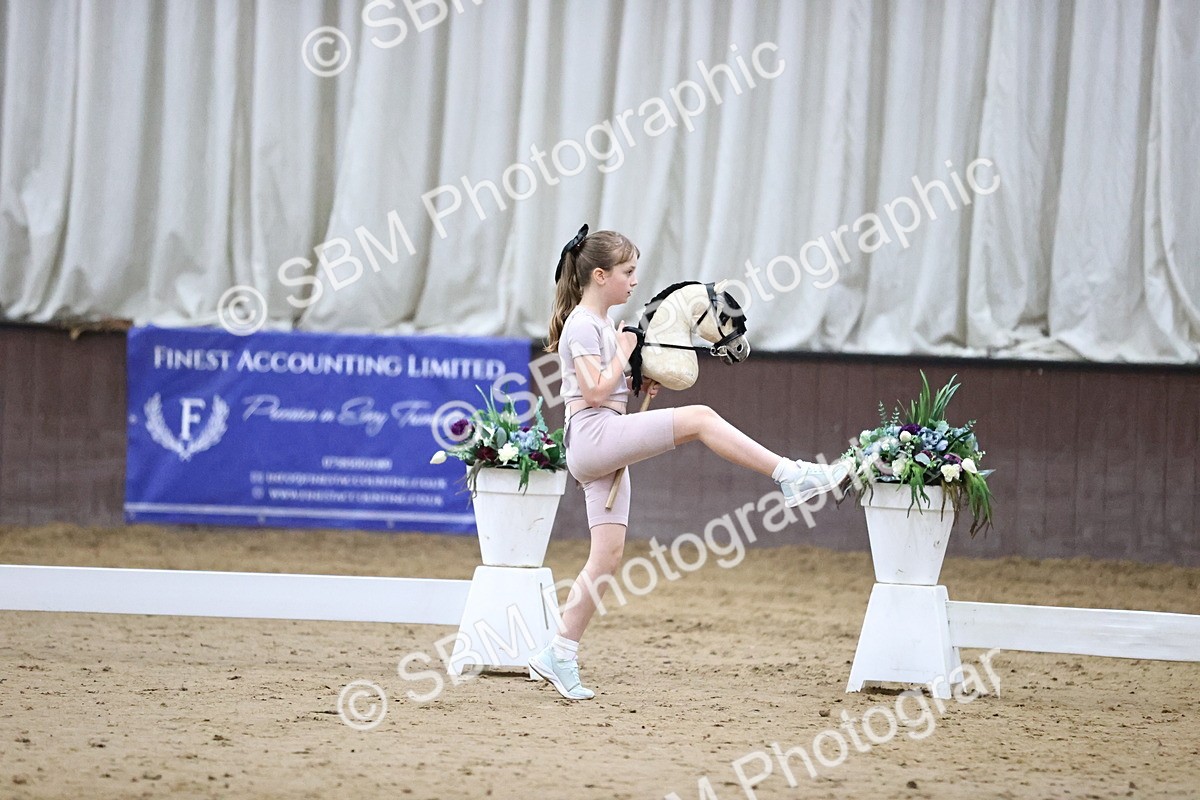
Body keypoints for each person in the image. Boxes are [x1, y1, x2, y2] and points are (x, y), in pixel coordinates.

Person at [527, 225, 851, 700]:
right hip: (595, 436)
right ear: (600, 276)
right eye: (628, 272)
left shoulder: (598, 324)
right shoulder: (583, 323)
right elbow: (594, 390)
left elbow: (607, 389)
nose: (635, 281)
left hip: (604, 436)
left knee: (607, 556)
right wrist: (622, 354)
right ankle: (791, 474)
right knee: (700, 418)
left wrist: (636, 383)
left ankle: (558, 652)